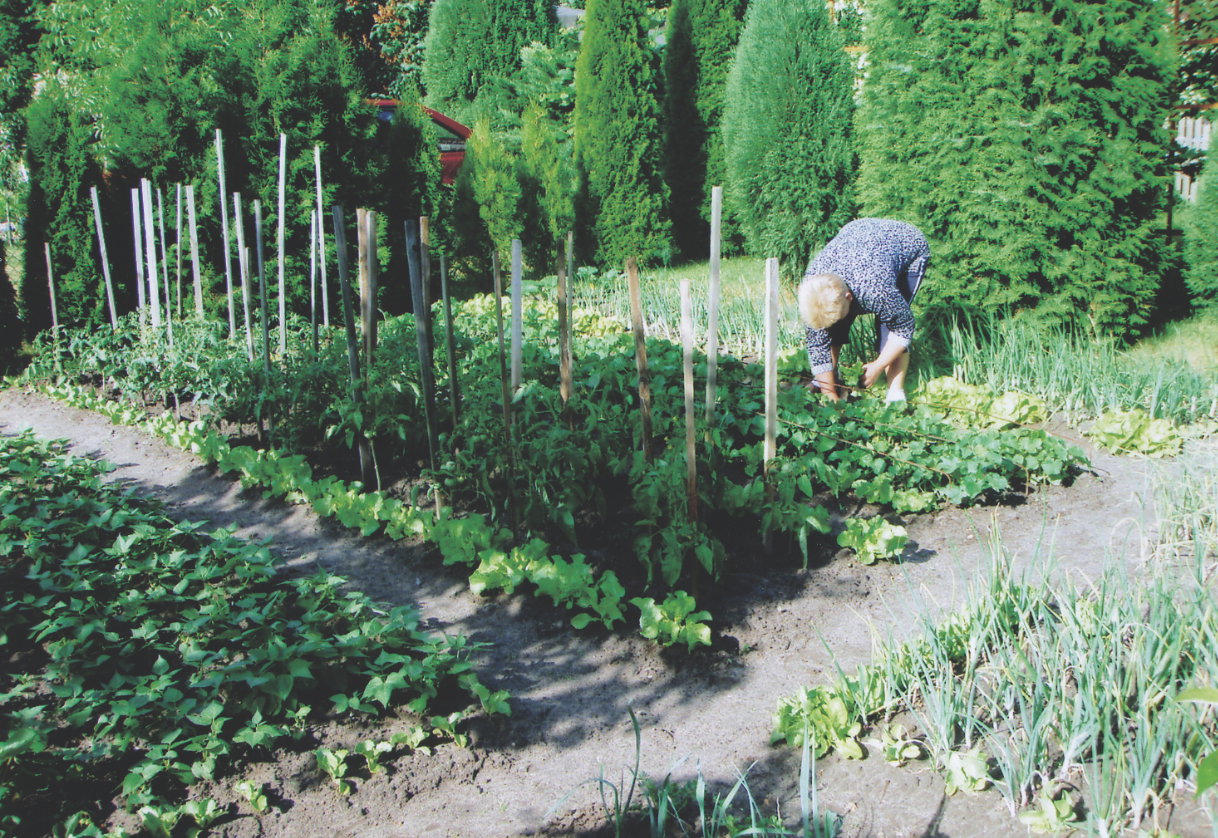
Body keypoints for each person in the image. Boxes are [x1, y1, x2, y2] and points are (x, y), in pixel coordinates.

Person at [797, 218, 930, 402]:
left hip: (905, 243)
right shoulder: (812, 291)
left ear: (849, 297)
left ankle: (895, 394)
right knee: (830, 329)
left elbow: (903, 327)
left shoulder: (876, 290)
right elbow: (817, 346)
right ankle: (828, 382)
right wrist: (830, 396)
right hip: (858, 237)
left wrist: (878, 365)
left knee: (888, 326)